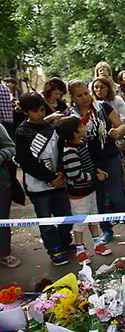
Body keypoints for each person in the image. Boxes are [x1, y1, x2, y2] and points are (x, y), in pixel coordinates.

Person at [67, 80, 125, 244]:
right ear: (73, 98)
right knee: (99, 198)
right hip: (88, 161)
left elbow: (122, 126)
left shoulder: (103, 107)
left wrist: (116, 131)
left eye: (86, 93)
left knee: (116, 193)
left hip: (110, 155)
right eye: (79, 96)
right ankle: (106, 230)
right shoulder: (71, 116)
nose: (85, 97)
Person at [15, 92, 73, 266]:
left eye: (42, 110)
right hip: (37, 186)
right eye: (35, 111)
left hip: (59, 182)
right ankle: (54, 249)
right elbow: (26, 162)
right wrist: (49, 177)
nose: (40, 114)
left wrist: (61, 171)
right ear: (26, 112)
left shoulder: (52, 128)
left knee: (65, 216)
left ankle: (65, 242)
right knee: (46, 220)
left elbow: (62, 151)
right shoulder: (21, 132)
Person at [57, 116, 112, 264]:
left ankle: (97, 243)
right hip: (78, 194)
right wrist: (95, 176)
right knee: (79, 222)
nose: (85, 128)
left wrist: (96, 170)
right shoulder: (69, 152)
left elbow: (87, 165)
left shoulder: (82, 144)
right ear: (75, 133)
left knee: (93, 216)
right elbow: (76, 176)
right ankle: (80, 250)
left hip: (90, 190)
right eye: (81, 127)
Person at [0, 124, 17, 268]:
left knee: (2, 219)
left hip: (1, 183)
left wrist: (1, 155)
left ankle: (4, 253)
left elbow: (11, 147)